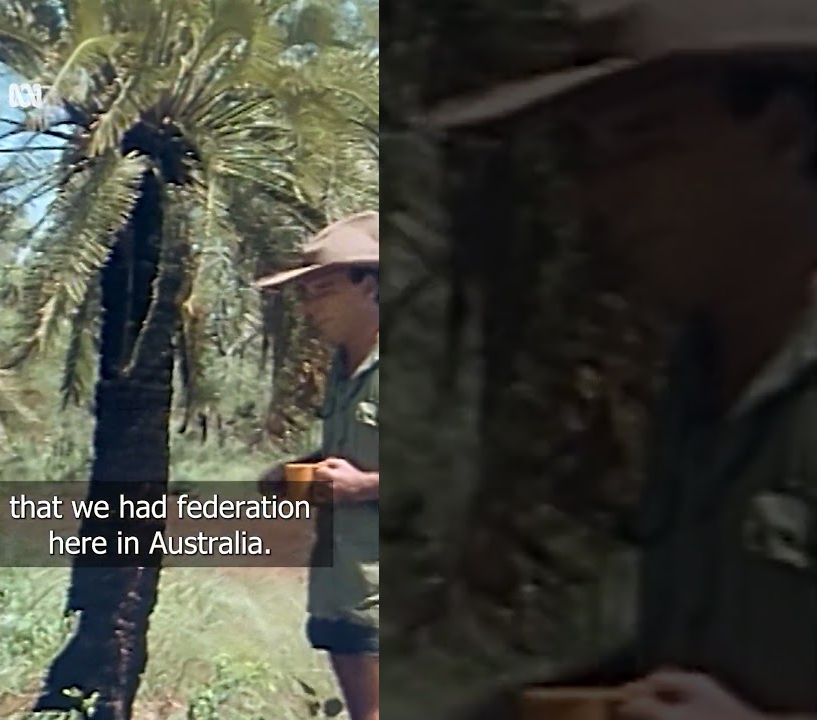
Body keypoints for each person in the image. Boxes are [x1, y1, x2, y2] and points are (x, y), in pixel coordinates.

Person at [427, 1, 817, 718]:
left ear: (786, 136)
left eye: (640, 144)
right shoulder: (702, 381)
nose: (599, 195)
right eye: (589, 156)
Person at [252, 211, 381, 720]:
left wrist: (363, 486)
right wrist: (299, 473)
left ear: (367, 286)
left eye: (321, 290)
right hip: (344, 584)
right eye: (304, 294)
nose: (308, 307)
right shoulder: (342, 368)